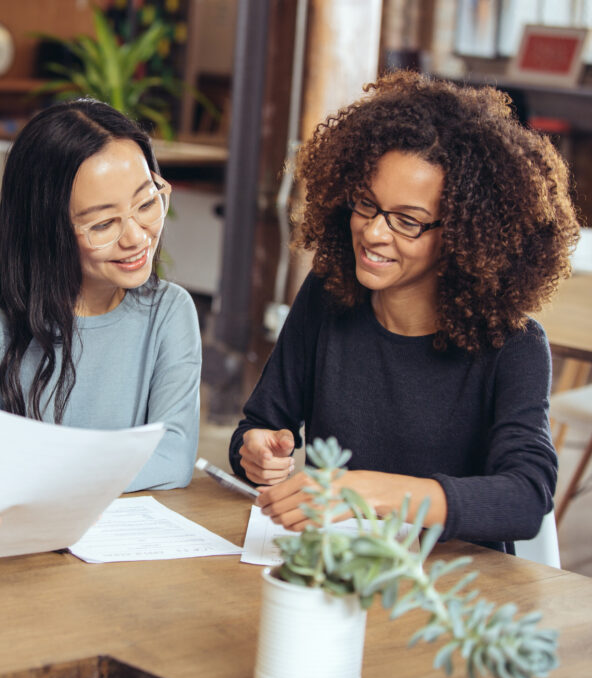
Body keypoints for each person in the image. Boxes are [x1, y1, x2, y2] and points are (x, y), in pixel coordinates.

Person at [230, 71, 581, 553]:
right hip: (341, 568)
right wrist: (256, 451)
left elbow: (525, 497)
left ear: (463, 234)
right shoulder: (328, 296)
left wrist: (368, 491)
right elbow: (258, 426)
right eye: (366, 205)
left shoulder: (513, 345)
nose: (374, 233)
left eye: (407, 221)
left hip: (458, 585)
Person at [0, 99, 201, 491]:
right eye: (103, 224)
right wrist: (101, 463)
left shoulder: (169, 311)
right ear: (45, 230)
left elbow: (173, 459)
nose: (136, 237)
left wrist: (26, 454)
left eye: (146, 203)